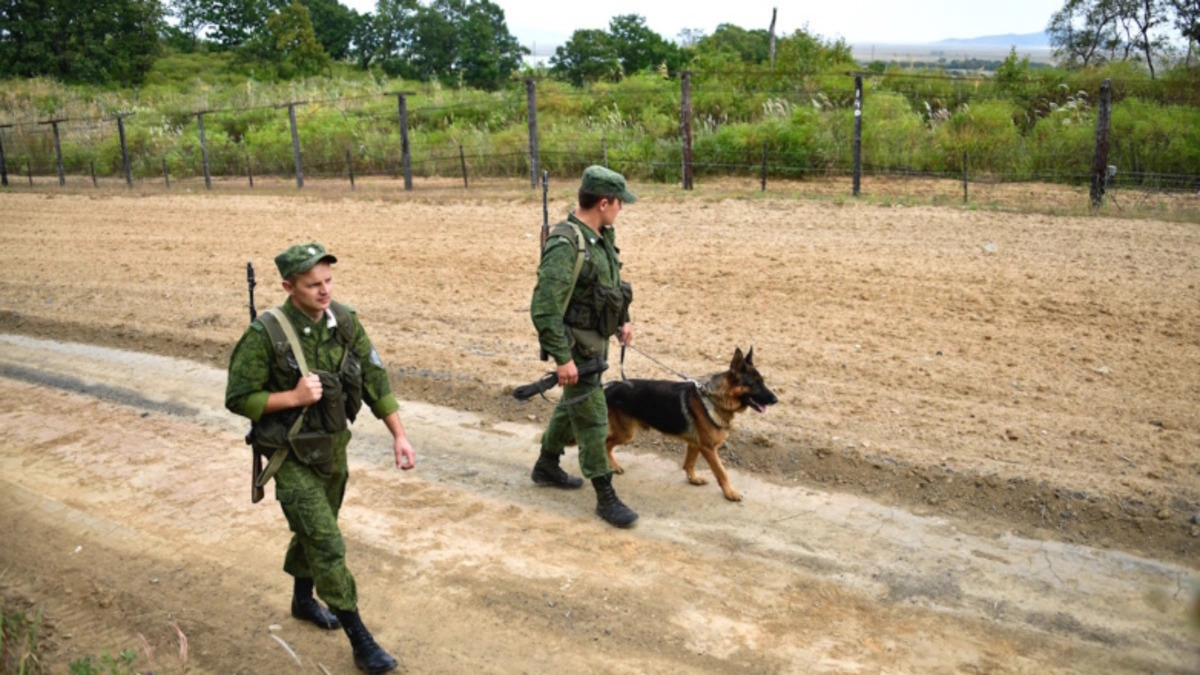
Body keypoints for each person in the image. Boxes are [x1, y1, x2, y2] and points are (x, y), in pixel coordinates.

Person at [226, 242, 415, 674]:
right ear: (288, 287)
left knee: (316, 530)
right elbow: (237, 397)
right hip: (289, 456)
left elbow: (373, 379)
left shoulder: (344, 321)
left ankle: (300, 599)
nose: (325, 291)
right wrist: (291, 397)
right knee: (327, 542)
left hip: (333, 450)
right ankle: (361, 640)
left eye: (328, 281)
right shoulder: (266, 335)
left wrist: (399, 436)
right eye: (314, 285)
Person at [530, 166, 639, 528]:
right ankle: (605, 495)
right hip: (576, 348)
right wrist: (563, 359)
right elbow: (545, 307)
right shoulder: (566, 245)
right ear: (603, 202)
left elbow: (611, 283)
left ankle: (546, 464)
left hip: (596, 343)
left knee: (572, 405)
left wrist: (623, 320)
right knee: (593, 418)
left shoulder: (601, 236)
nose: (621, 209)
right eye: (619, 203)